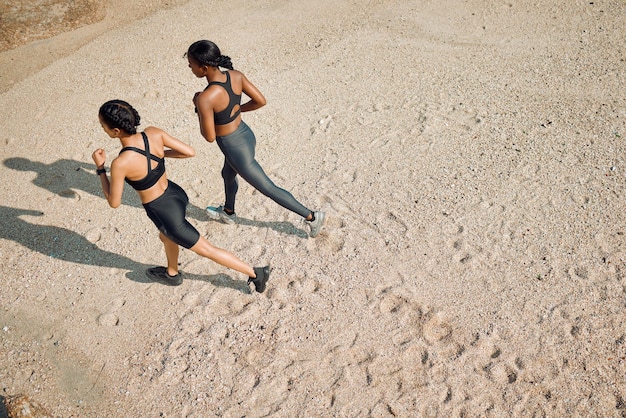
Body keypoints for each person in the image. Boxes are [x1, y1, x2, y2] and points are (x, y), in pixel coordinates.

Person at [92, 99, 270, 292]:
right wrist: (158, 154)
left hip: (162, 211)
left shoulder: (121, 163)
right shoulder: (153, 133)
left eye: (103, 126)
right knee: (166, 236)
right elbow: (188, 152)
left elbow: (114, 202)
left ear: (116, 131)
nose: (103, 128)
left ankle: (255, 273)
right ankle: (172, 273)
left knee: (207, 249)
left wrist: (101, 168)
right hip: (176, 194)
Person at [186, 40, 326, 238]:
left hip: (232, 146)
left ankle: (312, 216)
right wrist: (236, 110)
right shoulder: (235, 76)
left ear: (204, 67)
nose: (190, 68)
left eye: (191, 64)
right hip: (245, 135)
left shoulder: (206, 98)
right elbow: (260, 101)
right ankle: (228, 212)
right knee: (227, 174)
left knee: (268, 187)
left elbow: (209, 136)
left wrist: (198, 108)